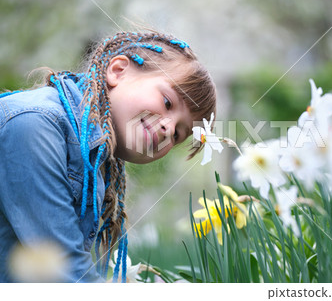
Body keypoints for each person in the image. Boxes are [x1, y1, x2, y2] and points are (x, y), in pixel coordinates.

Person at [0, 30, 216, 282]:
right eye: (168, 103)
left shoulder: (94, 160)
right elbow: (64, 272)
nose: (169, 128)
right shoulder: (35, 126)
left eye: (179, 133)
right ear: (118, 71)